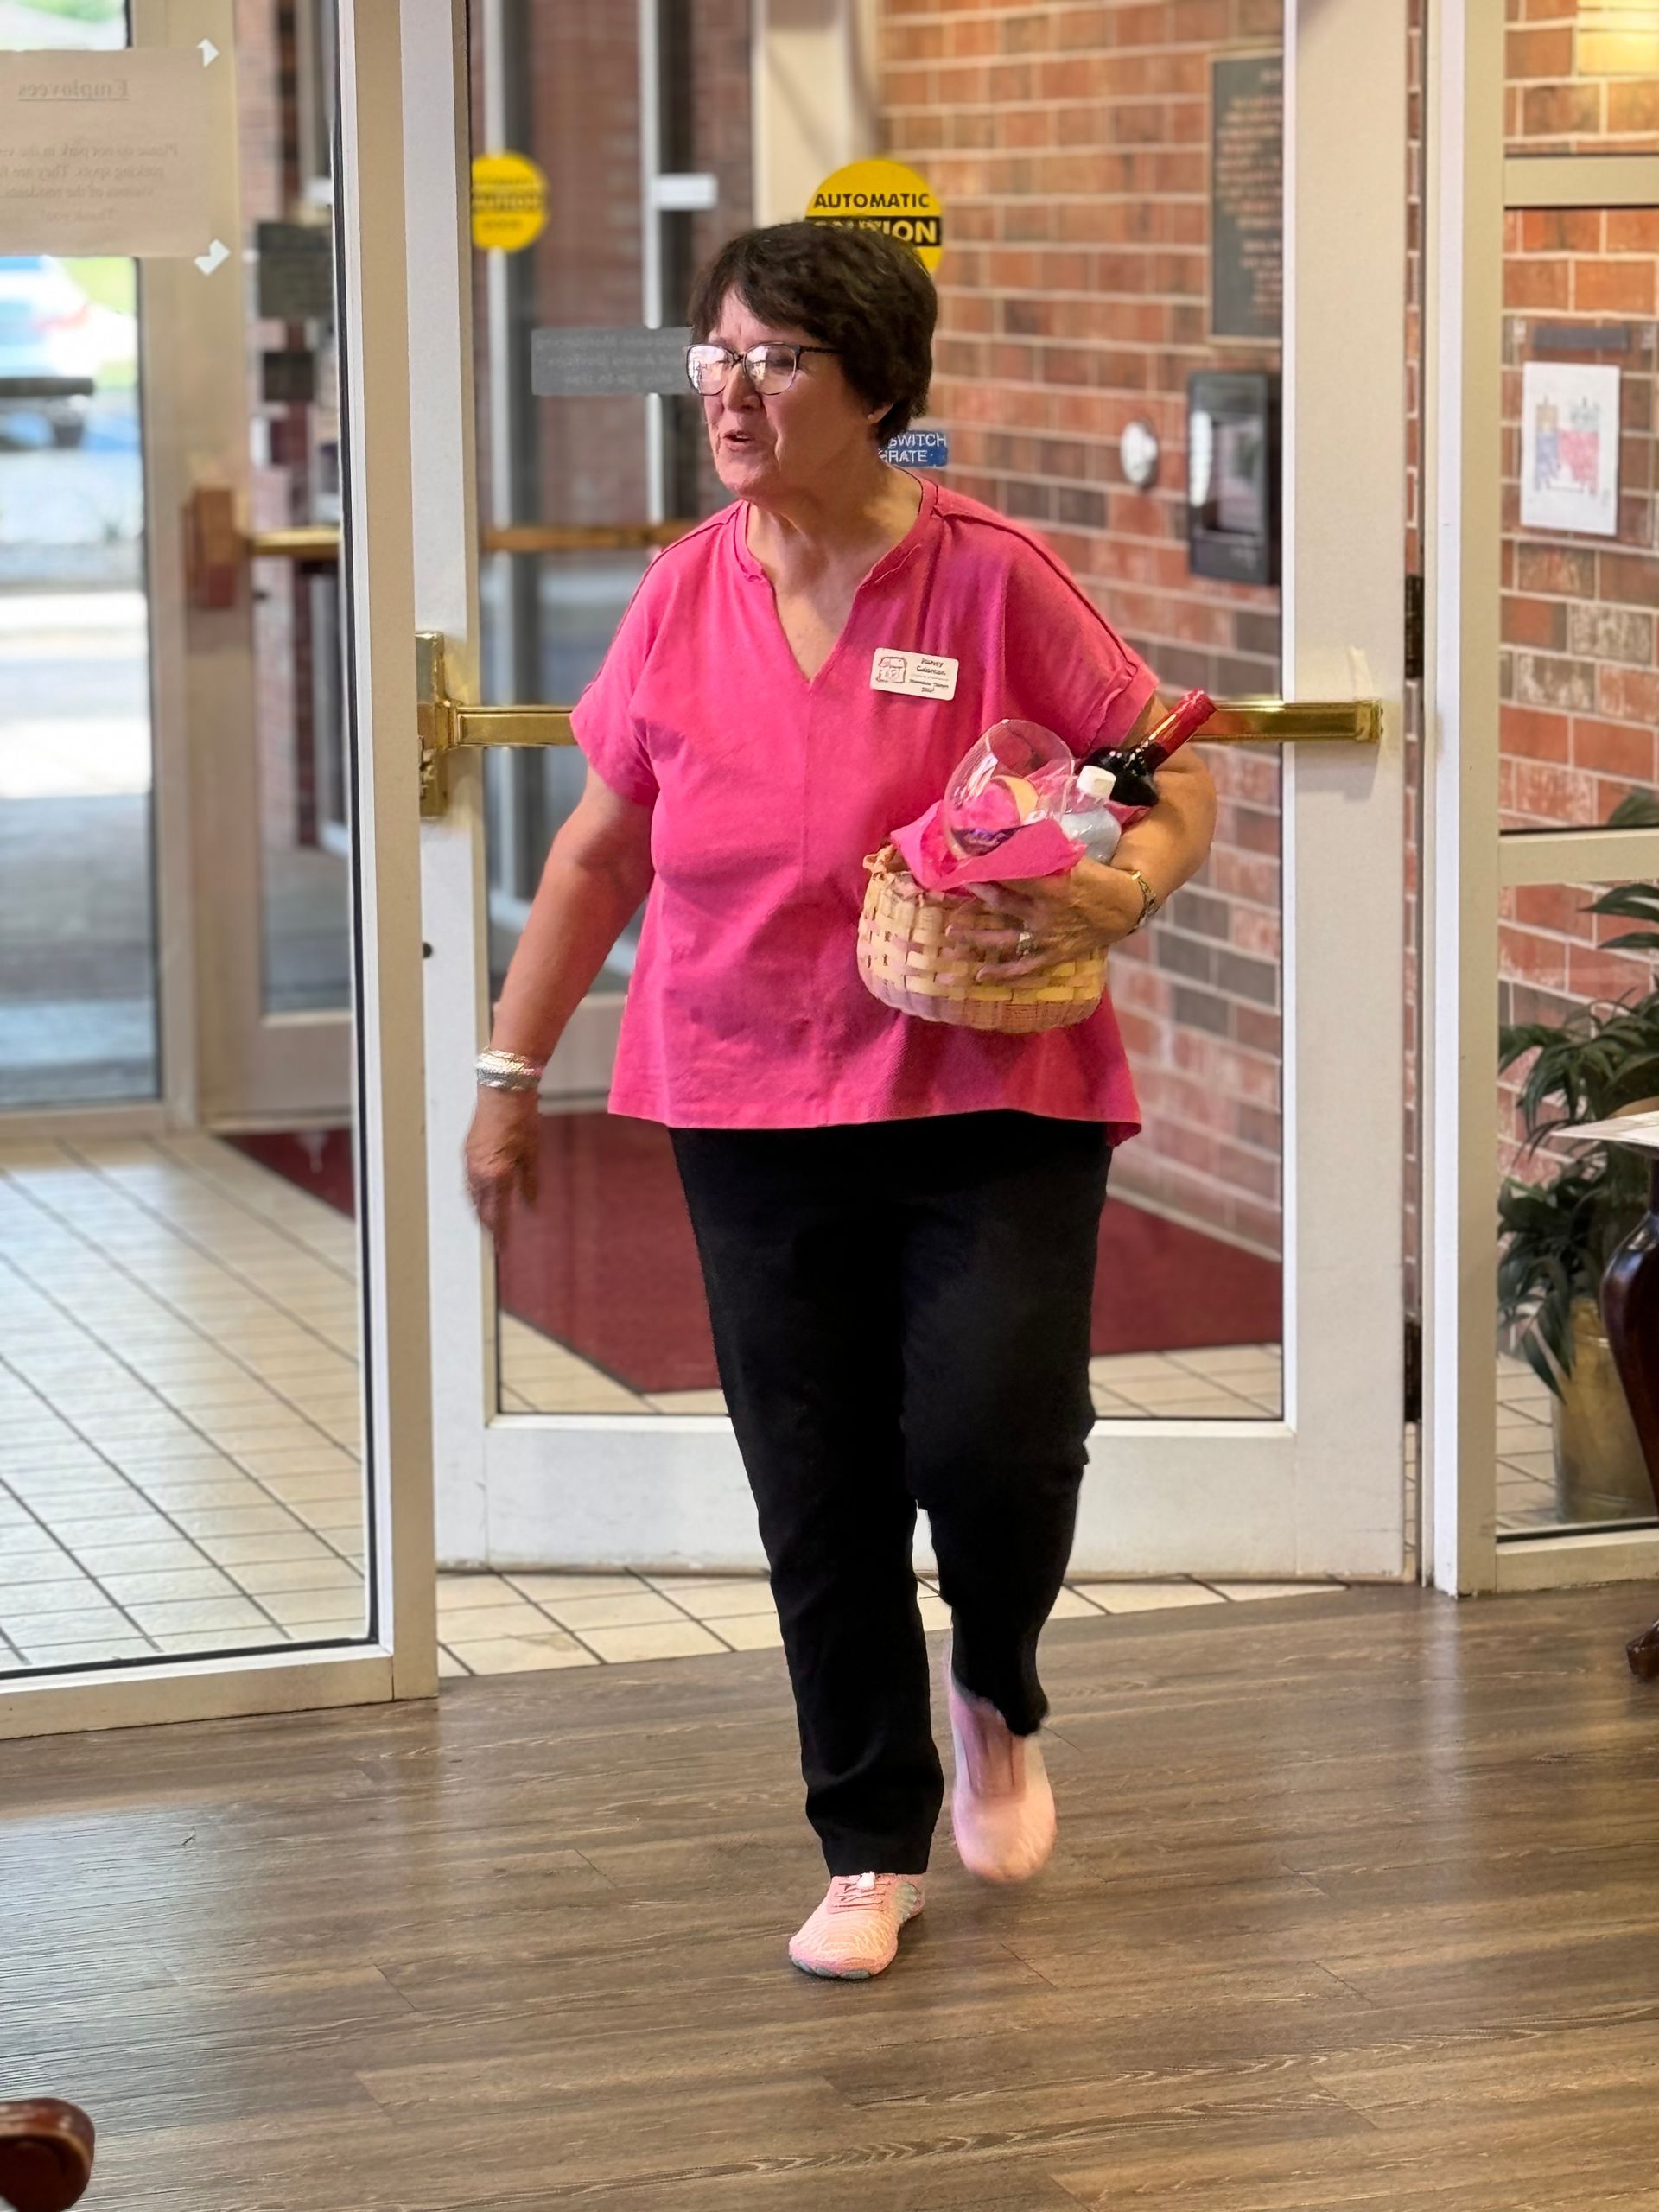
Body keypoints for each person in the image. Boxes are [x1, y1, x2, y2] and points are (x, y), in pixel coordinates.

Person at [465, 221, 1217, 1982]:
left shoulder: (989, 578)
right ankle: (869, 1843)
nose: (730, 393)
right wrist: (509, 1072)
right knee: (816, 1479)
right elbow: (601, 850)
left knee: (993, 1437)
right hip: (741, 1088)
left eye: (777, 360)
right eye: (716, 355)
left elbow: (1158, 774)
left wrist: (1121, 888)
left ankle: (996, 1682)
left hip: (989, 1086)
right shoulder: (683, 589)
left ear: (876, 388)